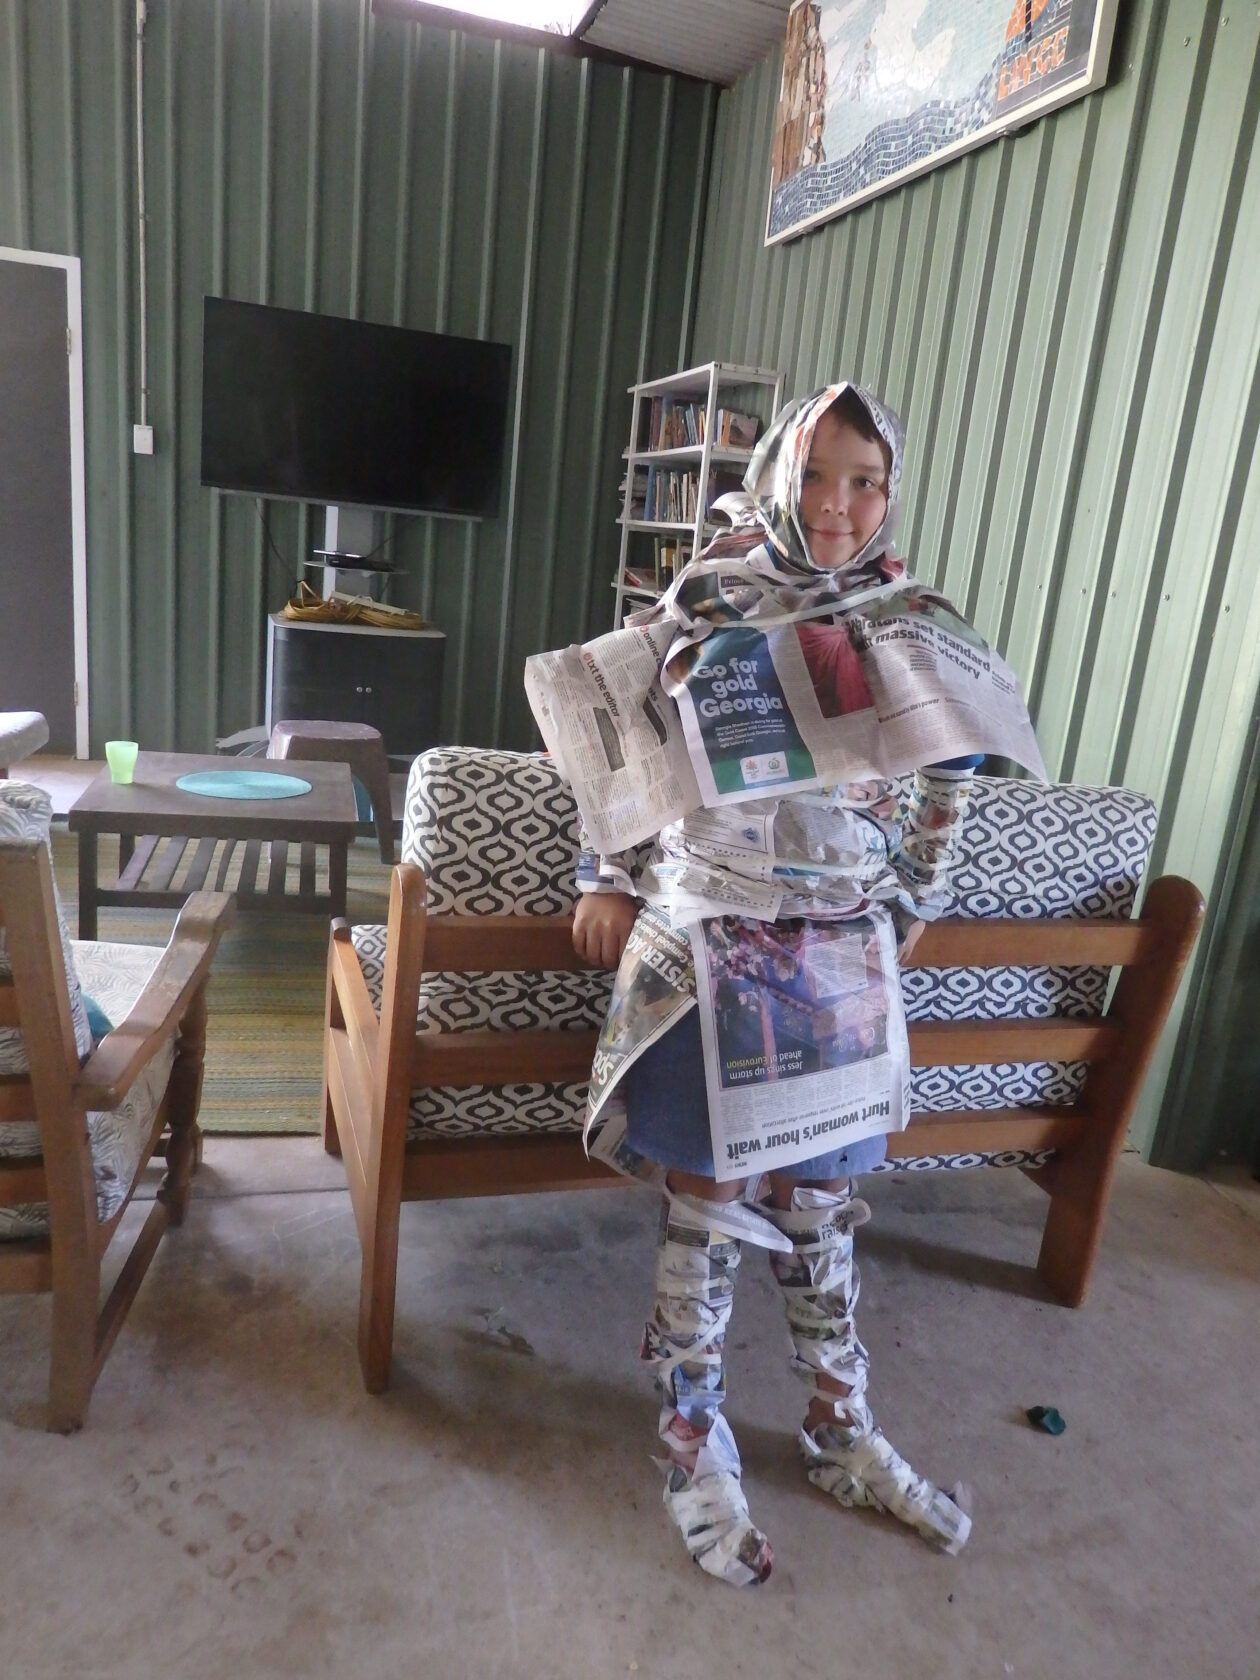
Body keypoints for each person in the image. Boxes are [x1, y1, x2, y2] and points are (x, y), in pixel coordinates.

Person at [561, 384, 998, 1586]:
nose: (841, 505)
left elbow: (950, 776)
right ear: (775, 478)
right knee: (711, 1200)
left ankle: (838, 1426)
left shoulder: (907, 619)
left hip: (842, 955)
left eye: (865, 479)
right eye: (818, 475)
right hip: (713, 939)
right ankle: (693, 1440)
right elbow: (623, 743)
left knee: (822, 1208)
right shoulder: (705, 596)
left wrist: (911, 896)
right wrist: (606, 871)